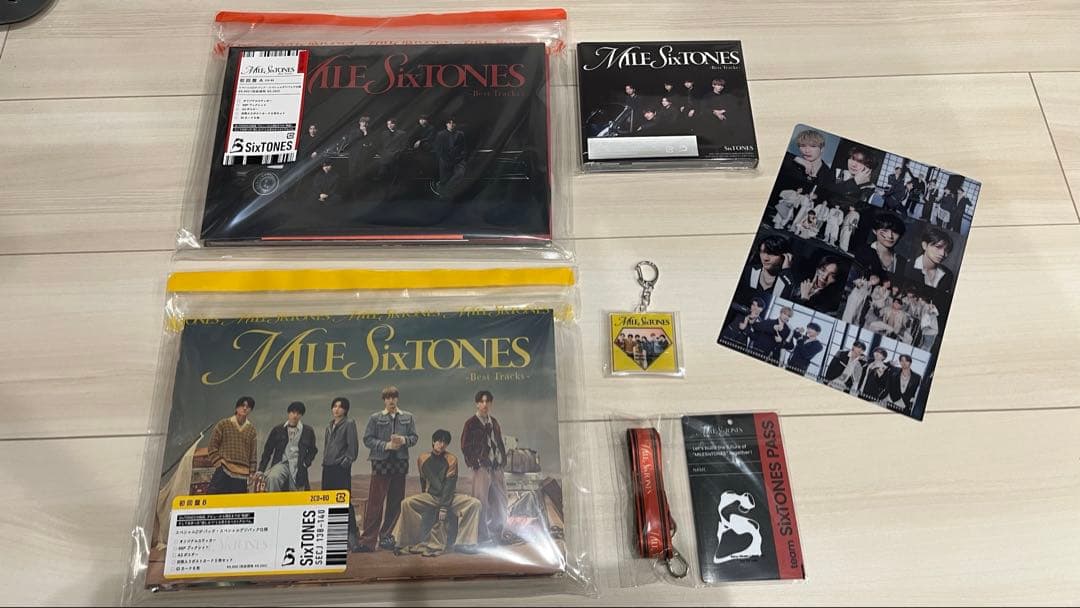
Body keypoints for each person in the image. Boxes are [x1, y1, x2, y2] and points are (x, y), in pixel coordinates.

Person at [393, 430, 482, 557]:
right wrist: (425, 499)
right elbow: (424, 481)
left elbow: (449, 486)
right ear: (433, 441)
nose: (442, 445)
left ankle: (464, 543)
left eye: (445, 443)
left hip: (449, 497)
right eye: (439, 441)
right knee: (406, 503)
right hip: (431, 496)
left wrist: (444, 507)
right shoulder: (422, 459)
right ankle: (405, 542)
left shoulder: (451, 459)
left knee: (475, 503)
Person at [359, 387, 419, 552]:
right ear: (384, 400)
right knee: (375, 502)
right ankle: (367, 541)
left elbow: (414, 438)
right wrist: (386, 445)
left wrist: (403, 440)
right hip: (381, 463)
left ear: (397, 399)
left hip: (400, 463)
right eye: (388, 398)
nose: (391, 400)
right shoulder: (375, 418)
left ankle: (386, 537)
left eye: (393, 397)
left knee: (395, 502)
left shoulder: (408, 417)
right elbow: (367, 439)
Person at [461, 390, 509, 544]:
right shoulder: (471, 423)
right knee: (480, 501)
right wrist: (474, 462)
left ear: (491, 404)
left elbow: (499, 442)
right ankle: (482, 536)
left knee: (500, 501)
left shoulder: (494, 422)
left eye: (487, 401)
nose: (485, 404)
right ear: (477, 404)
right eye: (482, 401)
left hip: (496, 467)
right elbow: (464, 446)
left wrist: (502, 461)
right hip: (481, 468)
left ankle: (498, 534)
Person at [322, 397, 360, 551]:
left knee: (344, 501)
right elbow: (327, 447)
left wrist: (345, 463)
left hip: (340, 468)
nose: (337, 409)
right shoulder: (329, 426)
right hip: (327, 468)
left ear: (345, 410)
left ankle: (352, 538)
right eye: (334, 406)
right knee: (329, 502)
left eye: (340, 407)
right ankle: (334, 538)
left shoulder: (349, 423)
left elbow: (353, 448)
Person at [258, 401, 318, 492]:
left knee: (298, 492)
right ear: (289, 413)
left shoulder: (308, 431)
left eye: (298, 413)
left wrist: (306, 463)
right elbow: (267, 450)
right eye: (293, 412)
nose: (295, 416)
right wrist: (261, 470)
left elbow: (313, 450)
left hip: (298, 466)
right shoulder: (278, 430)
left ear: (301, 415)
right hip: (281, 464)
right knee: (272, 478)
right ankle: (274, 500)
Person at [207, 396, 258, 494]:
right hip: (224, 469)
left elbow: (253, 454)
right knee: (213, 500)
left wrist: (252, 472)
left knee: (237, 503)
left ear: (250, 410)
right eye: (242, 405)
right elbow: (212, 445)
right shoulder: (224, 424)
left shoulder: (251, 430)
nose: (245, 408)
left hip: (242, 475)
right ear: (236, 408)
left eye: (248, 407)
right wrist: (218, 464)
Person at [733, 234, 795, 309]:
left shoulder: (786, 281)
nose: (765, 258)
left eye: (771, 253)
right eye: (762, 252)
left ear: (785, 257)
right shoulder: (749, 271)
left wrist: (786, 271)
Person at [777, 128, 834, 194]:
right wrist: (797, 159)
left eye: (813, 146)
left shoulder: (828, 175)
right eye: (803, 146)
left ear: (822, 149)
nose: (807, 150)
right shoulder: (792, 163)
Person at [855, 211, 908, 280]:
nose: (890, 236)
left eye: (895, 232)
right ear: (874, 231)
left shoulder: (901, 261)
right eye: (885, 231)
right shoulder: (863, 251)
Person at [433, 117, 467, 197]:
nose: (451, 124)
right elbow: (438, 149)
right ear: (446, 124)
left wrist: (460, 157)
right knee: (444, 179)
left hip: (457, 159)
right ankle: (443, 193)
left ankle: (445, 190)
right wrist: (444, 159)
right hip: (445, 159)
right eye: (449, 123)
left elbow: (463, 147)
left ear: (455, 124)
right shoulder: (440, 134)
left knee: (460, 174)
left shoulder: (460, 134)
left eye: (453, 123)